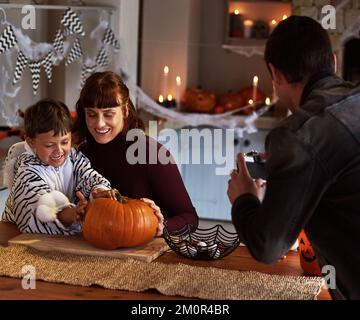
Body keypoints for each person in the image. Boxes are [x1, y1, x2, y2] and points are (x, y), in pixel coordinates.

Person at [227, 16, 360, 300]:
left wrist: (244, 199)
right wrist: (286, 168)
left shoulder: (295, 135)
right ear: (333, 62)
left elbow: (269, 247)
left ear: (275, 75)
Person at [75, 71, 199, 233]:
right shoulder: (80, 155)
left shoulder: (151, 153)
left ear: (125, 111)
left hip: (144, 250)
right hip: (93, 249)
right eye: (92, 114)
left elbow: (190, 218)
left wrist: (161, 227)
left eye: (109, 114)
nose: (99, 123)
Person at [1, 99, 115, 235]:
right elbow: (38, 207)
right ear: (31, 142)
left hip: (66, 225)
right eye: (49, 145)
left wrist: (98, 191)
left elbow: (88, 175)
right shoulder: (27, 169)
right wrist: (71, 214)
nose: (59, 151)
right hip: (15, 232)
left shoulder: (74, 158)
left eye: (65, 142)